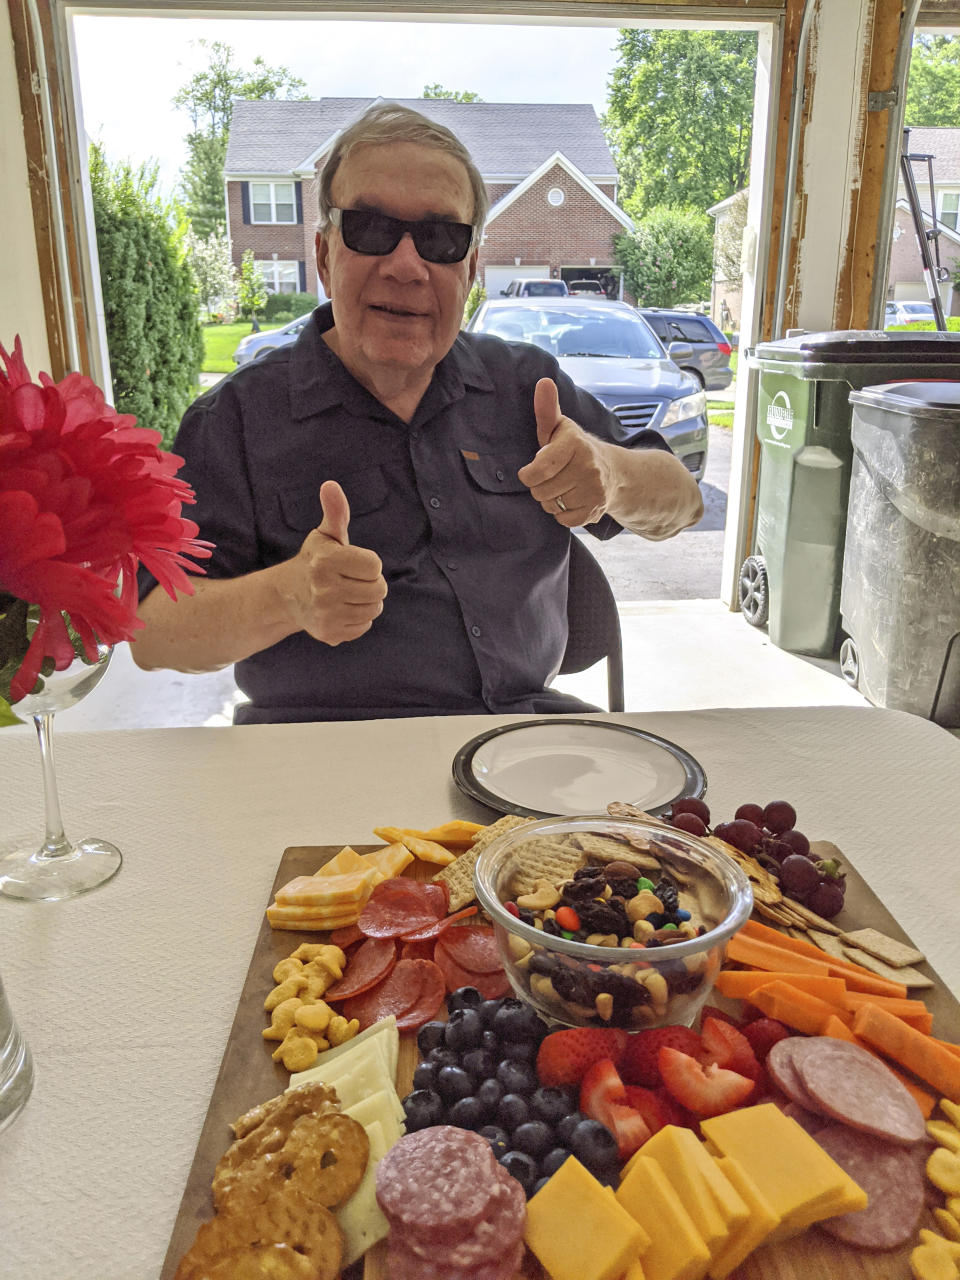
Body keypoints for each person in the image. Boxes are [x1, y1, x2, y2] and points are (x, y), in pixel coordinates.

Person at [132, 104, 702, 723]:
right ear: (324, 256)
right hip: (318, 753)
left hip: (521, 737)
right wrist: (287, 596)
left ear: (471, 270)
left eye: (440, 239)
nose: (406, 266)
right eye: (370, 229)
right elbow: (151, 629)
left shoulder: (526, 385)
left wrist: (611, 476)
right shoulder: (235, 418)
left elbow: (680, 501)